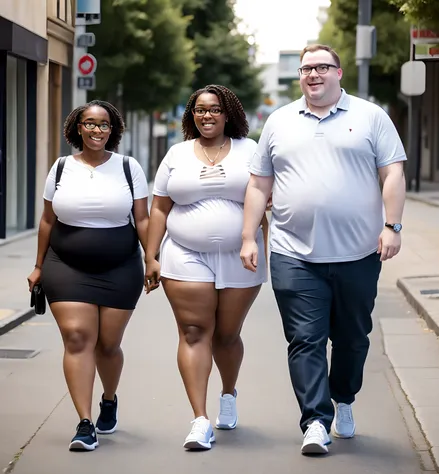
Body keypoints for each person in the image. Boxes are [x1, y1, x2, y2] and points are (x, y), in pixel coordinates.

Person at [240, 44, 406, 455]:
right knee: (304, 339)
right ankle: (315, 420)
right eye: (306, 69)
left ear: (339, 72)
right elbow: (260, 183)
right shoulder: (279, 121)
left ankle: (344, 398)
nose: (313, 74)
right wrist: (248, 236)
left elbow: (393, 172)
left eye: (321, 67)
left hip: (358, 253)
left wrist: (392, 226)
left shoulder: (370, 116)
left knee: (352, 338)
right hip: (292, 253)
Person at [145, 84, 268, 450]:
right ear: (191, 115)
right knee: (195, 331)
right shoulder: (177, 154)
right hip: (185, 254)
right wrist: (150, 256)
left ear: (228, 113)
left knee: (227, 335)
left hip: (240, 257)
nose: (207, 115)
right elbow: (159, 208)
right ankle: (200, 420)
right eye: (200, 110)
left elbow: (266, 198)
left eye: (214, 109)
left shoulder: (251, 151)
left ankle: (228, 394)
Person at [27, 100, 150, 451]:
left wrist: (152, 258)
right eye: (90, 123)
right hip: (65, 265)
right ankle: (84, 423)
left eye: (104, 124)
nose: (97, 130)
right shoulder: (62, 167)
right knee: (78, 337)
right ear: (77, 128)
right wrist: (38, 266)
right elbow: (48, 220)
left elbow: (142, 219)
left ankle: (108, 399)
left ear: (113, 130)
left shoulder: (129, 167)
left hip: (121, 266)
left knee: (108, 345)